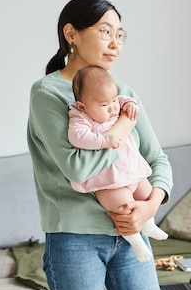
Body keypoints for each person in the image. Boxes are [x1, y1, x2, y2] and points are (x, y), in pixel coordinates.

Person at [27, 0, 171, 290]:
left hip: (132, 233)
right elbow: (76, 168)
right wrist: (121, 127)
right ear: (71, 34)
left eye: (120, 35)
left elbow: (157, 159)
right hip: (74, 241)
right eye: (105, 31)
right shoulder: (48, 93)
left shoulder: (126, 94)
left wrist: (150, 206)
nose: (114, 43)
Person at [68, 65, 168, 262]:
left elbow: (125, 100)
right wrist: (105, 140)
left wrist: (130, 104)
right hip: (108, 181)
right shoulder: (81, 117)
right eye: (105, 105)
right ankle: (136, 242)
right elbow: (76, 137)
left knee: (146, 193)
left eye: (114, 100)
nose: (113, 107)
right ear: (82, 106)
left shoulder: (114, 103)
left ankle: (149, 224)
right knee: (124, 209)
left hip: (132, 171)